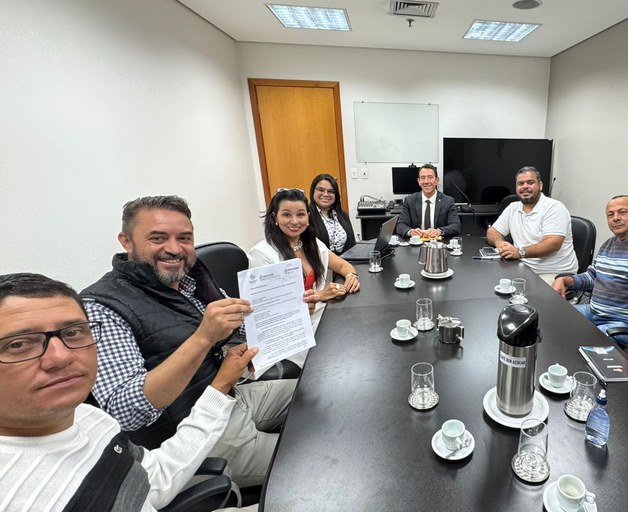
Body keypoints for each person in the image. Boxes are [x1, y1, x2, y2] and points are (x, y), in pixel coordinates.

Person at [81, 195, 296, 488]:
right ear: (126, 241)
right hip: (192, 433)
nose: (174, 249)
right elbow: (126, 412)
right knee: (315, 454)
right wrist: (204, 337)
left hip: (229, 397)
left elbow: (239, 329)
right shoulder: (101, 307)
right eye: (158, 238)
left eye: (184, 238)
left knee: (316, 395)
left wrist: (288, 309)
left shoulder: (189, 280)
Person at [0, 273, 253, 511]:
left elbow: (153, 480)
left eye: (73, 332)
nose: (61, 356)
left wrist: (220, 386)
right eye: (19, 344)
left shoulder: (89, 417)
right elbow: (131, 412)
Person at [248, 188, 360, 329]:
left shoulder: (312, 244)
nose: (295, 221)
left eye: (300, 214)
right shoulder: (262, 254)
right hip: (291, 329)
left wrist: (351, 276)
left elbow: (343, 266)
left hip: (318, 317)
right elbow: (268, 310)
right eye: (286, 215)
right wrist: (320, 295)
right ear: (275, 217)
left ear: (308, 217)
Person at [551, 195, 628, 348]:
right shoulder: (609, 244)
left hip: (621, 323)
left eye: (622, 212)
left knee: (579, 345)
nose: (616, 218)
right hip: (593, 312)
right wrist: (565, 280)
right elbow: (592, 276)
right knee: (553, 318)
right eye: (610, 214)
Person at [486, 166, 578, 284]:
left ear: (540, 185)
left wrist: (519, 252)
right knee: (489, 282)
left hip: (554, 273)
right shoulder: (513, 207)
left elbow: (553, 243)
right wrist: (499, 242)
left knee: (515, 292)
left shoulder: (554, 208)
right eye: (521, 183)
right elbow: (492, 232)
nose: (525, 186)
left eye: (530, 182)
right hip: (522, 267)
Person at [395, 164, 461, 239]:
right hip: (417, 242)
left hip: (439, 243)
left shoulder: (448, 201)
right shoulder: (409, 201)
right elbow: (401, 225)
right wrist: (410, 231)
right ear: (419, 181)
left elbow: (456, 225)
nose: (426, 181)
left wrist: (439, 231)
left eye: (430, 177)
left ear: (437, 180)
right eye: (423, 178)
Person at [309, 173, 356, 255]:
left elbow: (352, 243)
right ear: (313, 191)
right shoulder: (306, 217)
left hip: (346, 260)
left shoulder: (342, 215)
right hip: (321, 261)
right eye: (321, 190)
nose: (325, 194)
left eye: (330, 191)